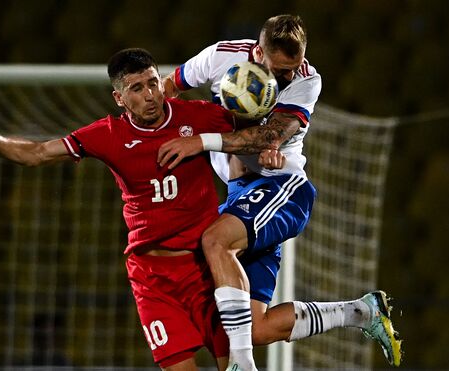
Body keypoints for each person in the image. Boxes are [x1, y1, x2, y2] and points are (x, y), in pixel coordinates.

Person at [0, 48, 268, 371]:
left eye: (153, 83)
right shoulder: (108, 135)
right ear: (120, 98)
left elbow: (255, 134)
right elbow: (37, 152)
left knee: (236, 365)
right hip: (154, 279)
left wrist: (275, 151)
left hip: (205, 267)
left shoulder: (197, 116)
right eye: (137, 89)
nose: (150, 95)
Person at [160, 14, 402, 369]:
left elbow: (269, 136)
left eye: (291, 68)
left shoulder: (307, 81)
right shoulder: (220, 57)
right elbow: (170, 86)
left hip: (282, 186)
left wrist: (201, 141)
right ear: (258, 52)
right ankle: (362, 312)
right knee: (255, 327)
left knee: (214, 241)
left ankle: (242, 366)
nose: (283, 77)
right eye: (277, 68)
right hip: (240, 194)